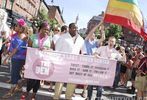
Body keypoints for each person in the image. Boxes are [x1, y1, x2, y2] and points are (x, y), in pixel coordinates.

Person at [22, 21, 52, 99]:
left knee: (38, 80)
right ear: (40, 29)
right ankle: (27, 91)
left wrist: (47, 49)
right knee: (31, 79)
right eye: (45, 29)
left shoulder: (49, 39)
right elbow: (28, 49)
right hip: (32, 61)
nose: (46, 31)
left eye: (48, 30)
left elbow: (51, 50)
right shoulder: (33, 37)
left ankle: (34, 94)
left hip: (43, 63)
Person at [53, 23, 85, 100]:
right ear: (69, 29)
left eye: (77, 28)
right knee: (60, 82)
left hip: (74, 65)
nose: (76, 30)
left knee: (72, 82)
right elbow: (57, 50)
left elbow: (83, 52)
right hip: (62, 63)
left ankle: (68, 97)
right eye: (74, 28)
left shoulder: (80, 39)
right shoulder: (62, 37)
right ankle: (56, 97)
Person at [2, 18, 27, 98]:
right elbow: (10, 43)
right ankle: (20, 87)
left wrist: (7, 58)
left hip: (19, 58)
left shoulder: (23, 37)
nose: (15, 26)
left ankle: (10, 92)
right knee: (16, 74)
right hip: (14, 57)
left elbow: (16, 49)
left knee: (14, 74)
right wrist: (6, 51)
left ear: (21, 27)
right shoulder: (15, 35)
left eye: (16, 25)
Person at [85, 24, 105, 99]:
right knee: (90, 82)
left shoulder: (95, 43)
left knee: (98, 81)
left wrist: (102, 31)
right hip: (89, 63)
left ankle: (97, 97)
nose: (93, 35)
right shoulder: (86, 41)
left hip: (96, 64)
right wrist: (99, 24)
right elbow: (91, 32)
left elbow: (103, 38)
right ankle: (89, 96)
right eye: (92, 34)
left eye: (94, 34)